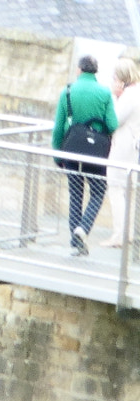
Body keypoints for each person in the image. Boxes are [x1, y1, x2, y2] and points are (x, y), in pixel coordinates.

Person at [53, 54, 118, 256]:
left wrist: (58, 155)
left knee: (76, 194)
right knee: (98, 191)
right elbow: (113, 124)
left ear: (79, 70)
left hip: (71, 151)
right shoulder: (105, 93)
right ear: (95, 71)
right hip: (96, 154)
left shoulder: (68, 91)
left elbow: (58, 128)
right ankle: (84, 228)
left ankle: (76, 241)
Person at [101, 58, 140, 247]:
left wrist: (115, 97)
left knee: (116, 188)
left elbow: (114, 120)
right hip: (133, 146)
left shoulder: (129, 96)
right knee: (130, 191)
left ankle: (119, 235)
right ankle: (129, 233)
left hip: (123, 146)